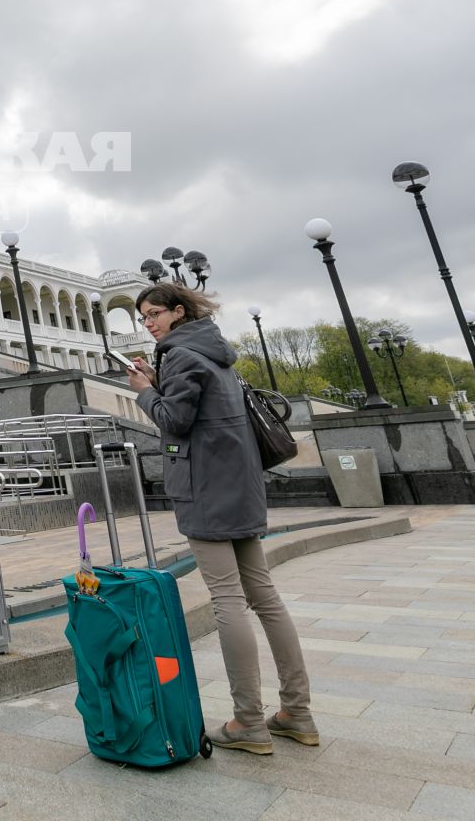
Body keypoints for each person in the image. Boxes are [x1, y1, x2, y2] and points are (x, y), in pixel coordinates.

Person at [121, 281, 315, 755]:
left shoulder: (182, 356)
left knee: (229, 601)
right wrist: (159, 382)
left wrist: (145, 392)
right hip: (241, 487)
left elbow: (177, 422)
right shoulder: (214, 354)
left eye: (154, 314)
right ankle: (297, 712)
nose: (148, 323)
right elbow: (202, 413)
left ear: (179, 312)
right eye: (143, 317)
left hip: (206, 490)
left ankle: (249, 721)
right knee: (265, 597)